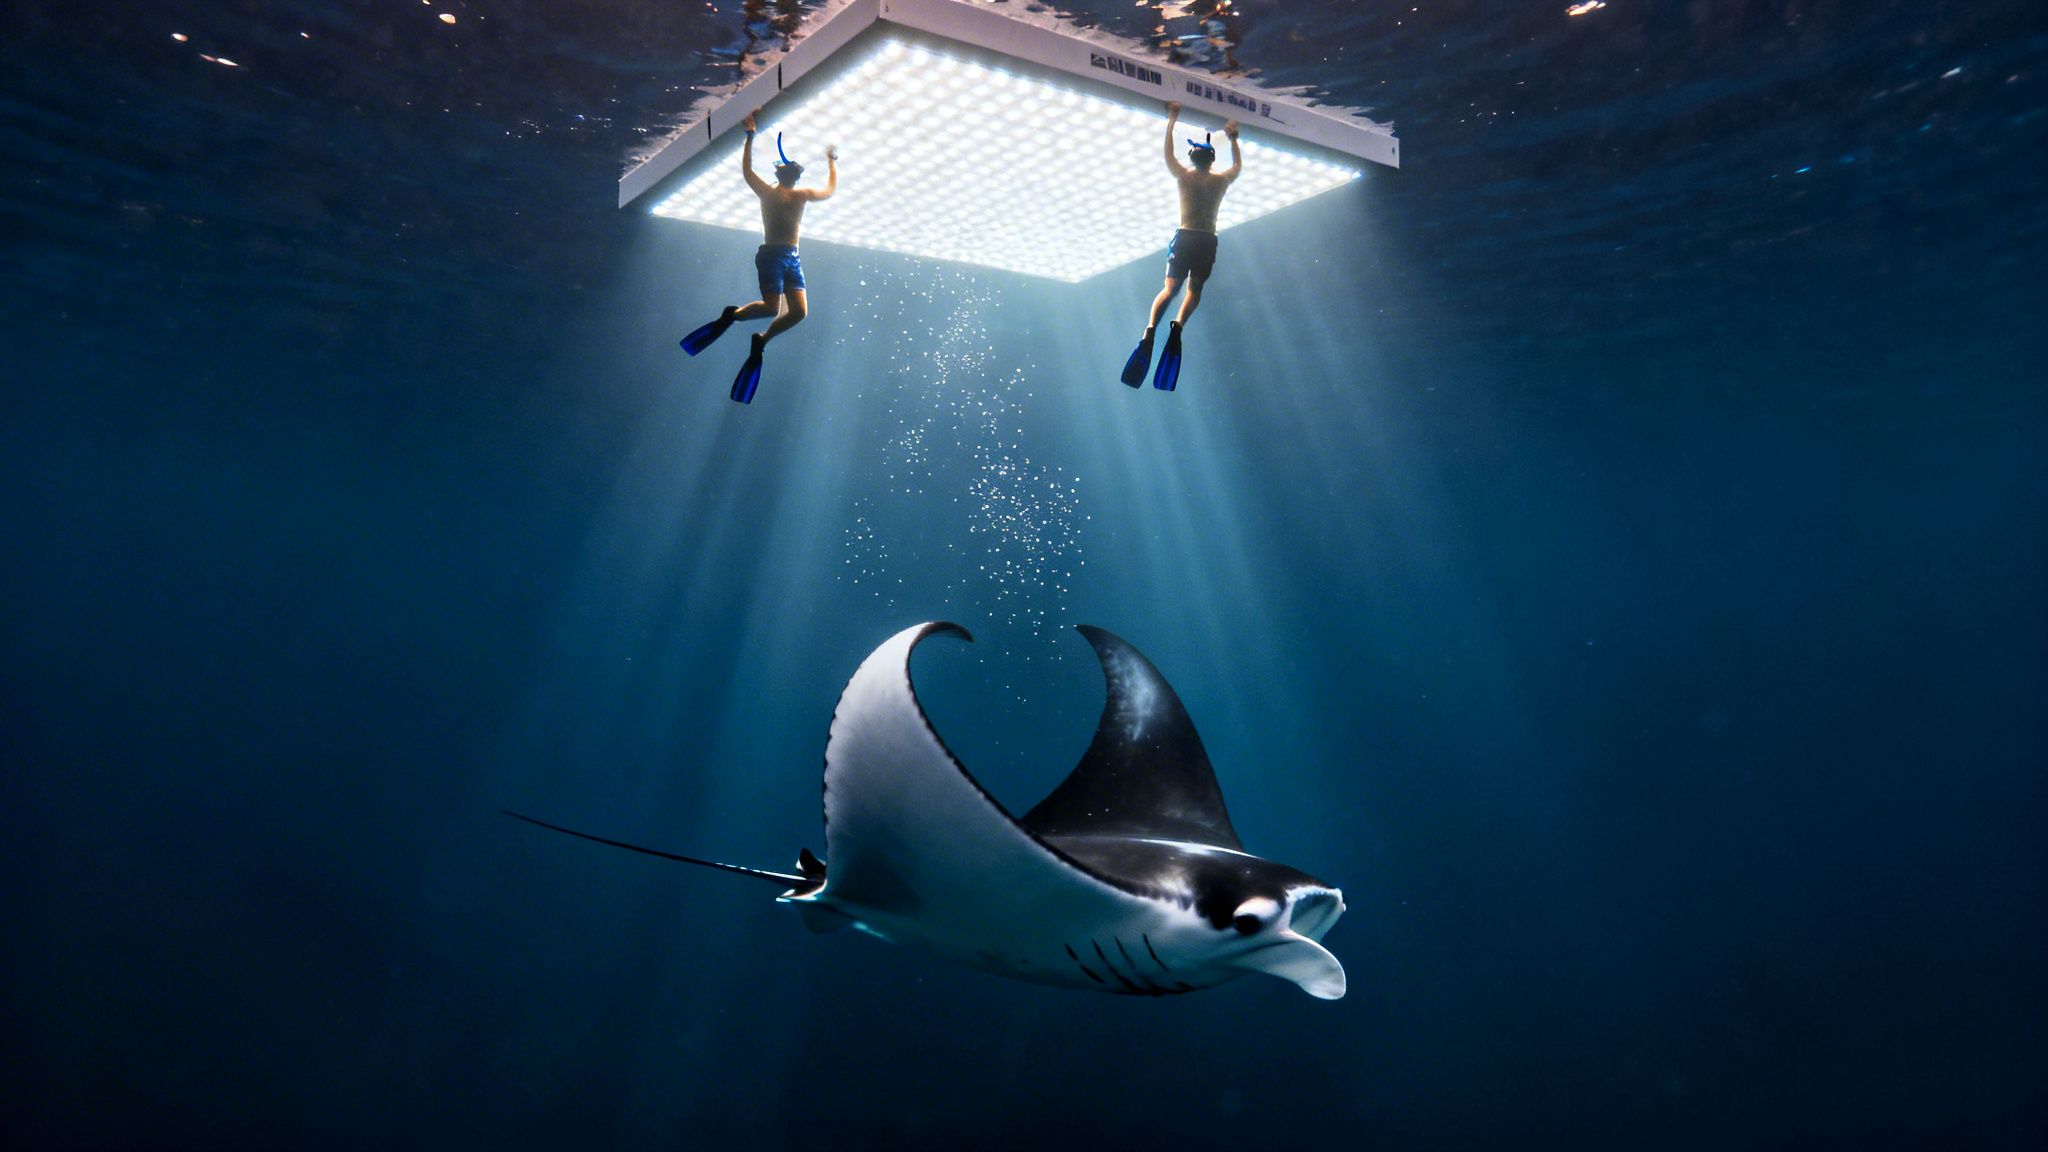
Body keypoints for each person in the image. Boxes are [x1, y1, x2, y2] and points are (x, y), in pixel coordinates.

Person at [679, 111, 838, 404]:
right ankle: (732, 315)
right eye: (792, 172)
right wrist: (750, 136)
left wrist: (831, 162)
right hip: (772, 255)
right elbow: (748, 172)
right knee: (769, 307)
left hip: (792, 257)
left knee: (800, 312)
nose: (794, 175)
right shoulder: (768, 193)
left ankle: (761, 340)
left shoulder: (800, 195)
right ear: (782, 174)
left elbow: (828, 192)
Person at [1120, 102, 1240, 391]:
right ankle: (1178, 325)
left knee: (1170, 290)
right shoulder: (1221, 180)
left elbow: (1167, 153)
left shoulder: (1184, 177)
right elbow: (1237, 166)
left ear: (1192, 157)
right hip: (1205, 240)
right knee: (1194, 290)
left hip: (1186, 237)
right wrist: (1234, 138)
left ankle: (1151, 328)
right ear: (1211, 160)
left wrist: (1172, 119)